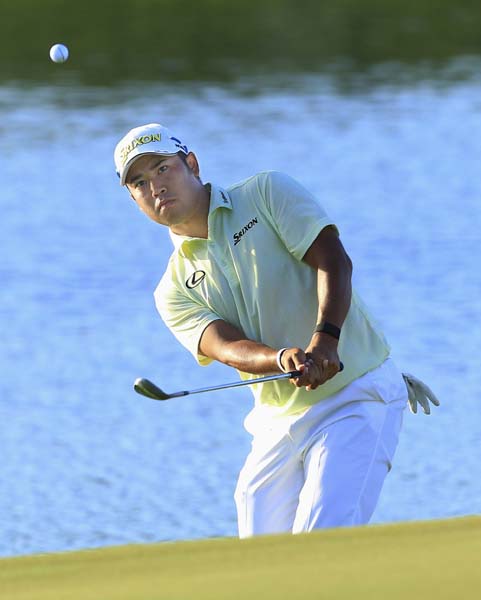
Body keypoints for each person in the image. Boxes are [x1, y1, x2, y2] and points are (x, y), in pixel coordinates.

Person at [114, 123, 439, 537]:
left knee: (322, 541)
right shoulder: (172, 289)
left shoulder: (265, 193)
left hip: (355, 393)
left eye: (163, 169)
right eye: (140, 182)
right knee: (260, 557)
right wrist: (281, 358)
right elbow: (225, 345)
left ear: (192, 164)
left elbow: (333, 261)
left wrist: (326, 340)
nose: (156, 186)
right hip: (276, 422)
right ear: (134, 199)